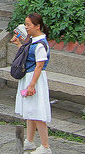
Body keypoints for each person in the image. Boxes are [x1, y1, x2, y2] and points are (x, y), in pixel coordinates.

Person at [11, 13, 52, 154]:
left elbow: (39, 66)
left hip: (35, 79)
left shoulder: (40, 44)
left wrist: (32, 85)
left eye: (28, 25)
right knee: (30, 110)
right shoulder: (33, 41)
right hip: (29, 78)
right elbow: (27, 58)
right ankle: (29, 140)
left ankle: (45, 146)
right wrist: (18, 45)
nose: (26, 27)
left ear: (37, 26)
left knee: (37, 111)